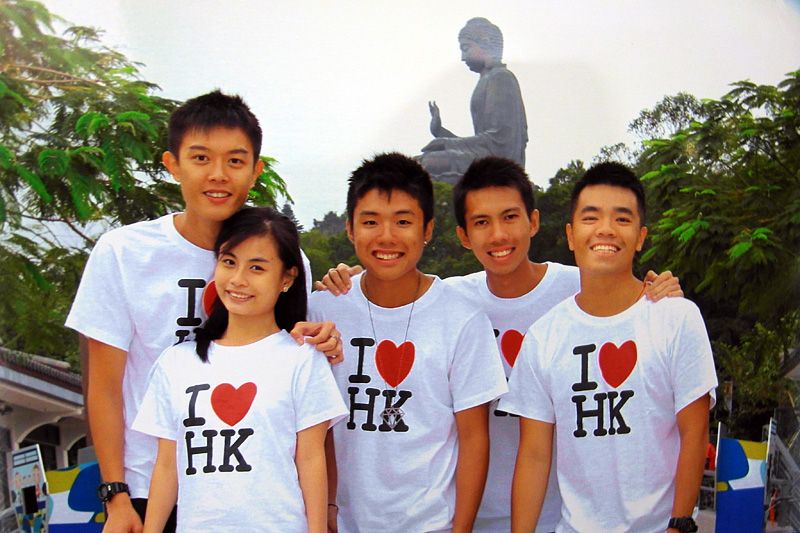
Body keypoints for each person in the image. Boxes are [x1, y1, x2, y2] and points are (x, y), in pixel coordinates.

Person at [318, 156, 683, 532]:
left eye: (510, 217)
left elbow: (630, 300)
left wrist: (662, 291)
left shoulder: (578, 290)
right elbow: (396, 283)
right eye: (481, 222)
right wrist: (350, 276)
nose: (498, 235)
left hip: (560, 513)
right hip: (465, 511)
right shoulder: (455, 301)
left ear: (533, 221)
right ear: (463, 235)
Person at [66, 90, 342, 533]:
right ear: (173, 164)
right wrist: (115, 496)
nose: (218, 175)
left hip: (260, 496)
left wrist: (323, 336)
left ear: (255, 170)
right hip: (149, 485)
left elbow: (296, 379)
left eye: (235, 160)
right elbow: (104, 386)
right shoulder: (124, 252)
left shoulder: (287, 260)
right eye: (200, 158)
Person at [499, 162, 716, 533]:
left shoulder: (676, 318)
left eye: (622, 218)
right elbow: (534, 455)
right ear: (571, 235)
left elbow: (694, 433)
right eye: (591, 217)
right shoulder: (544, 337)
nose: (605, 229)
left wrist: (679, 525)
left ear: (640, 236)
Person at [309, 153, 508, 532]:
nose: (387, 237)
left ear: (427, 228)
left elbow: (474, 439)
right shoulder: (323, 310)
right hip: (343, 522)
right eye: (371, 221)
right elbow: (315, 428)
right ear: (350, 229)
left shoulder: (462, 319)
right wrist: (326, 507)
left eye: (403, 221)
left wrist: (461, 529)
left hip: (430, 523)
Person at [132, 207, 346, 533]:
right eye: (229, 262)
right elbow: (166, 466)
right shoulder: (176, 363)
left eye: (257, 267)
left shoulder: (302, 359)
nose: (238, 280)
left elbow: (311, 459)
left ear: (287, 278)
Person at [419, 17, 528, 184]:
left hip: (500, 163)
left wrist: (448, 143)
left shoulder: (501, 78)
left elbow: (500, 140)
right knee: (417, 163)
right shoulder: (487, 79)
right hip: (484, 156)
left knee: (429, 162)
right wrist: (441, 132)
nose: (463, 57)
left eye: (466, 48)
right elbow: (482, 142)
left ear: (485, 43)